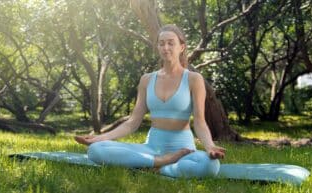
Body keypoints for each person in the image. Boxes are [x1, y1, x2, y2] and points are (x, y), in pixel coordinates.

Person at [74, 24, 226, 178]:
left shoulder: (193, 79)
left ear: (182, 47)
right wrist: (99, 138)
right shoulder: (147, 80)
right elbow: (133, 122)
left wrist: (210, 146)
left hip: (183, 151)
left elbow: (199, 121)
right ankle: (158, 162)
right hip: (151, 148)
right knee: (95, 150)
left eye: (171, 43)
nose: (165, 47)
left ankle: (156, 167)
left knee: (211, 166)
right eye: (161, 43)